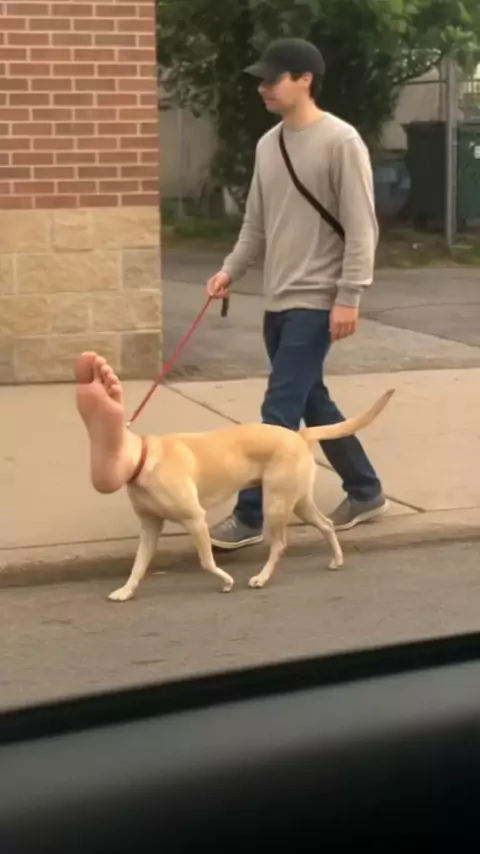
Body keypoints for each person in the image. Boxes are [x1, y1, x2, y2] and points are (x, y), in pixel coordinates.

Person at [207, 37, 387, 551]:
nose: (263, 88)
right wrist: (230, 271)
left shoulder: (341, 141)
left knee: (279, 408)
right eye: (261, 80)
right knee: (311, 400)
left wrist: (349, 296)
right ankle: (365, 490)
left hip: (318, 300)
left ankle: (251, 515)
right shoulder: (269, 145)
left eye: (273, 79)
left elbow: (362, 228)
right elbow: (256, 226)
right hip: (278, 301)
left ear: (305, 79)